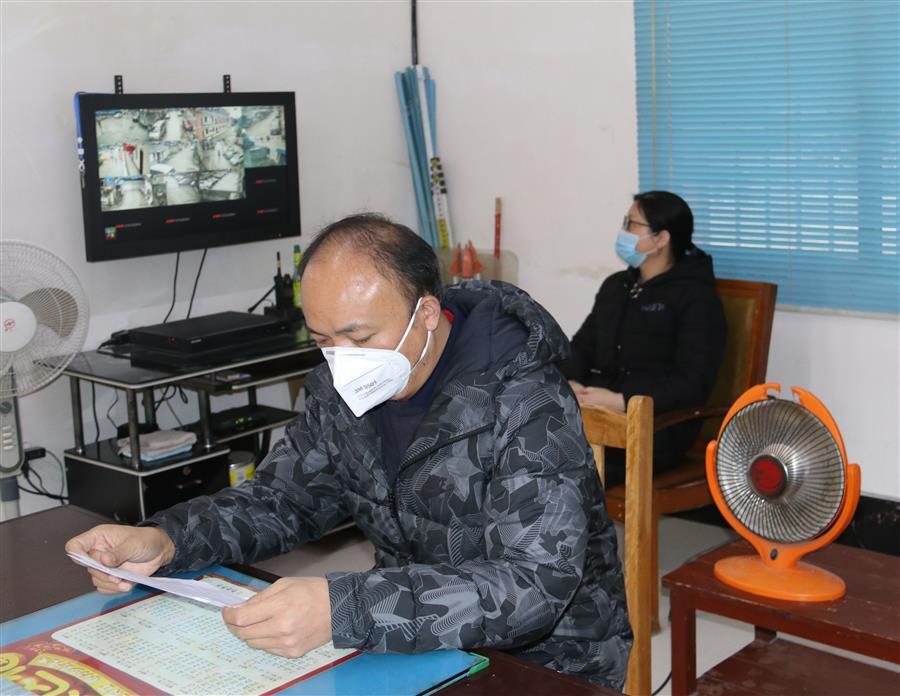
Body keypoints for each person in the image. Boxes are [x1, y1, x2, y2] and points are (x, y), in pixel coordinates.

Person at [67, 214, 631, 689]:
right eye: (323, 341)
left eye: (359, 339)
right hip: (408, 639)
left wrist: (346, 608)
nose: (343, 361)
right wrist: (167, 538)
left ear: (426, 314)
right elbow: (282, 500)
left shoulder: (525, 399)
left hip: (549, 661)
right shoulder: (339, 393)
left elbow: (533, 586)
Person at [562, 191, 726, 488]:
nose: (623, 231)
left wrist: (622, 401)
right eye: (625, 222)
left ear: (661, 239)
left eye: (632, 224)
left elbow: (692, 382)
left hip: (656, 426)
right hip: (596, 413)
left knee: (560, 470)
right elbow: (582, 346)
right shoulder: (616, 286)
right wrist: (569, 382)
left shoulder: (696, 298)